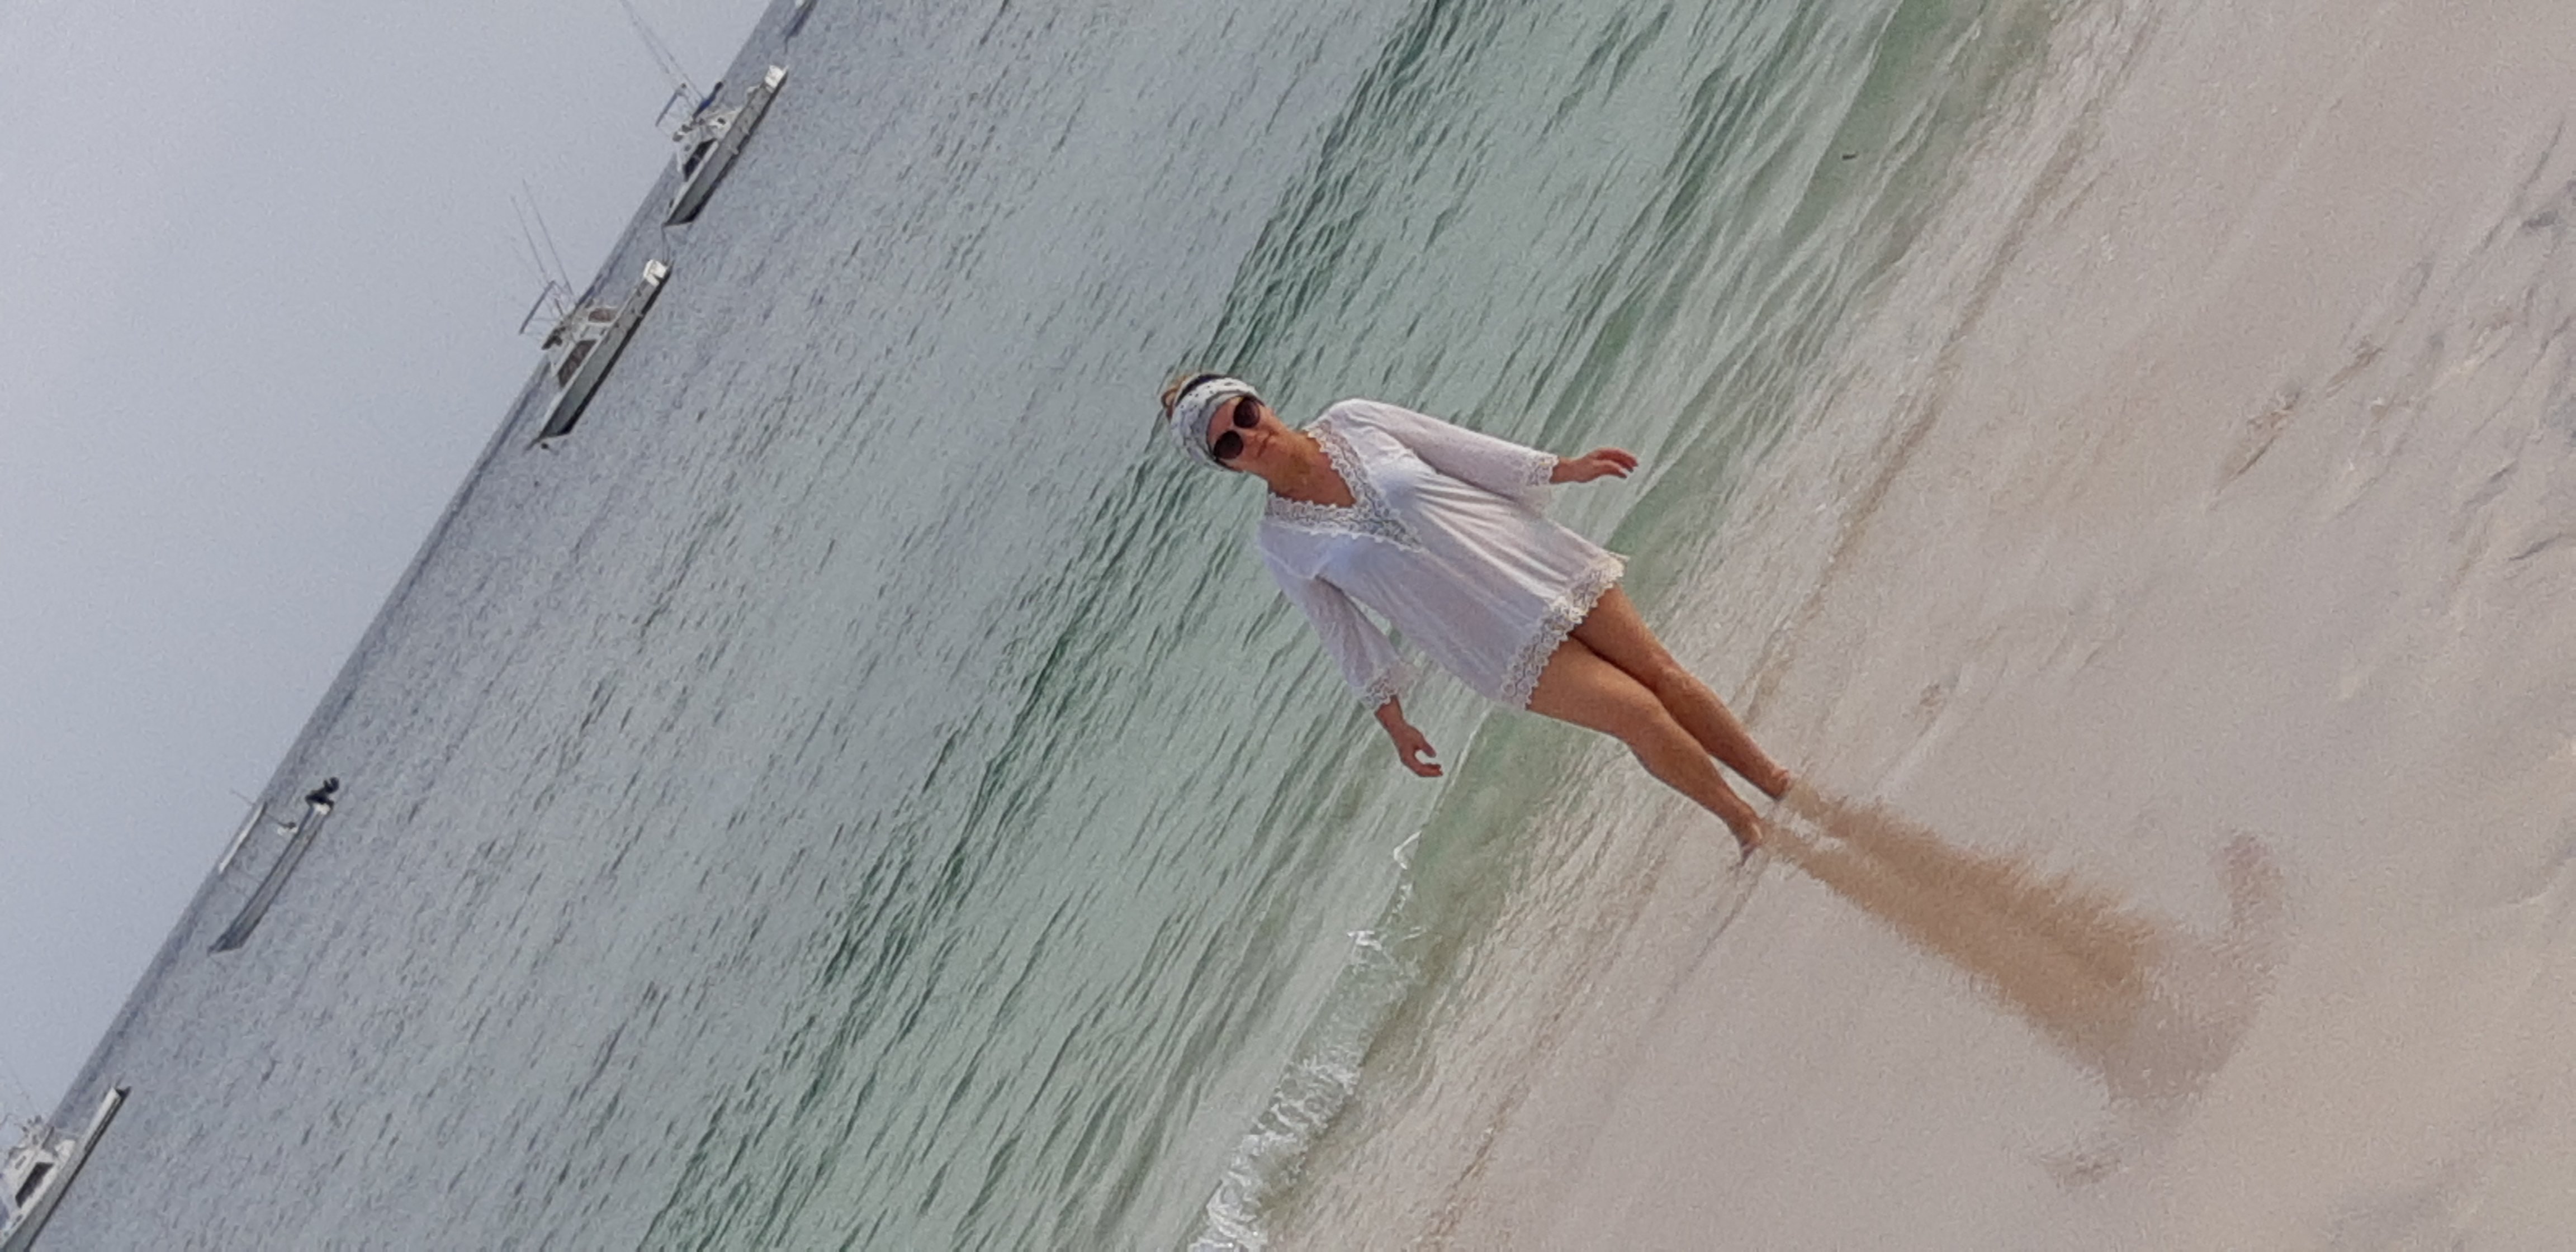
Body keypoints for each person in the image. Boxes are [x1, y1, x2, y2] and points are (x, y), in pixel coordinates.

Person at [1160, 373, 1793, 853]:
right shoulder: (1280, 542)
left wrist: (1564, 469)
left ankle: (1779, 784)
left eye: (1244, 414)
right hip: (1486, 640)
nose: (1249, 436)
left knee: (1663, 675)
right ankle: (1746, 825)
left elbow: (1461, 450)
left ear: (1259, 400)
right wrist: (1394, 722)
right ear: (1226, 466)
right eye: (1229, 443)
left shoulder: (1355, 419)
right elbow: (1340, 631)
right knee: (1637, 713)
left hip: (1534, 561)